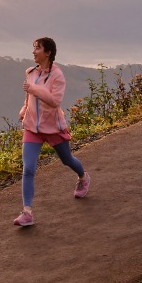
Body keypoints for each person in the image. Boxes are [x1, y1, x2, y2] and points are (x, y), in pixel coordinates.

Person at [13, 37, 90, 227]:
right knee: (28, 169)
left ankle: (83, 177)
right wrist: (24, 110)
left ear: (48, 52)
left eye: (37, 48)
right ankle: (27, 212)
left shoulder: (57, 75)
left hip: (53, 127)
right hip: (32, 127)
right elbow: (28, 97)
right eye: (33, 48)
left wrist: (34, 89)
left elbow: (55, 101)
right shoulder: (30, 72)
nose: (33, 52)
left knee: (67, 159)